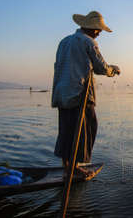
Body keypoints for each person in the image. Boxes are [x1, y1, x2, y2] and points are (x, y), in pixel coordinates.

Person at [51, 11, 120, 178]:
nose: (100, 33)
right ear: (94, 29)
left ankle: (67, 166)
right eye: (99, 30)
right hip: (79, 94)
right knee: (86, 129)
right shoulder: (88, 42)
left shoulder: (64, 41)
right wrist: (113, 70)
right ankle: (75, 167)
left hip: (61, 93)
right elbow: (101, 68)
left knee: (66, 130)